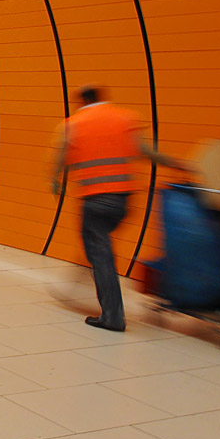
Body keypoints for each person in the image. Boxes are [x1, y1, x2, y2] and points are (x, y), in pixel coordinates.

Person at [50, 85, 186, 332]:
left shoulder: (73, 124)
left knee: (99, 253)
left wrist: (55, 178)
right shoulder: (125, 117)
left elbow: (60, 156)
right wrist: (177, 163)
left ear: (82, 101)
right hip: (123, 201)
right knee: (96, 246)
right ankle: (76, 287)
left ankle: (112, 316)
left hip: (95, 200)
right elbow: (146, 152)